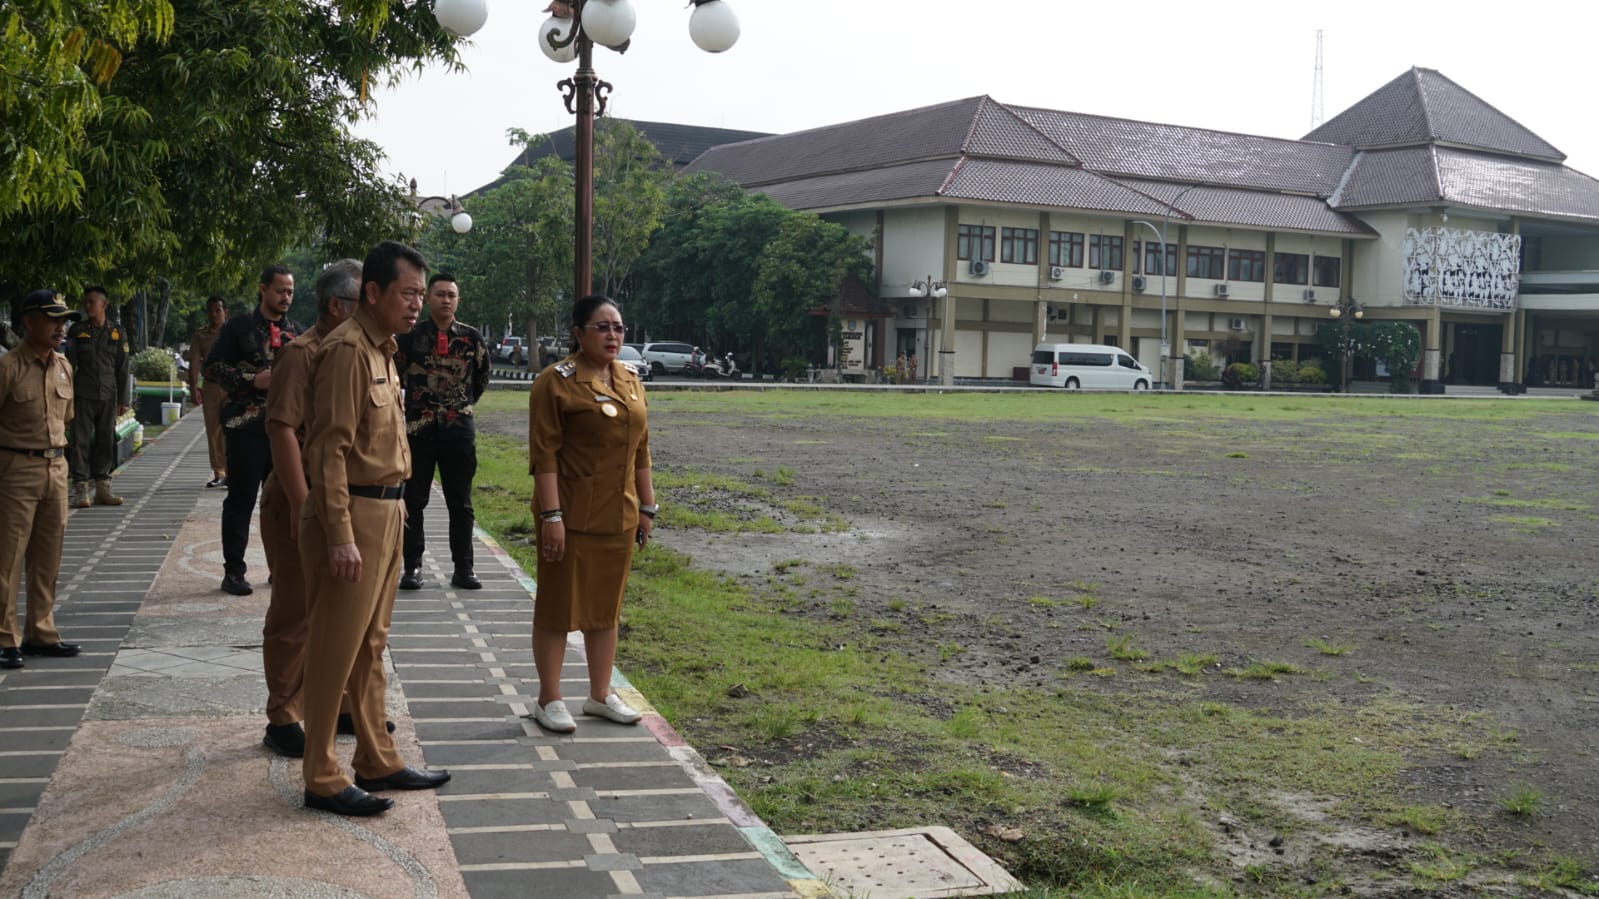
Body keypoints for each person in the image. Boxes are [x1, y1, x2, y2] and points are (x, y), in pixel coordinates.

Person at [299, 241, 449, 817]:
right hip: (352, 514)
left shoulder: (383, 349)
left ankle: (376, 755)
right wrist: (339, 533)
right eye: (408, 293)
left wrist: (401, 503)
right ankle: (320, 772)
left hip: (386, 509)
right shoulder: (346, 351)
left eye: (421, 293)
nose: (417, 304)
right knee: (335, 647)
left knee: (371, 644)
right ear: (373, 292)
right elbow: (329, 449)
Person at [527, 295, 656, 733]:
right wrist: (550, 517)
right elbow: (543, 455)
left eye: (618, 327)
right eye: (602, 327)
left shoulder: (631, 379)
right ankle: (549, 698)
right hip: (569, 514)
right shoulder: (556, 382)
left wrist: (647, 506)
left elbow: (642, 449)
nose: (613, 335)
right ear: (578, 333)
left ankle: (600, 695)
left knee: (606, 608)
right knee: (558, 608)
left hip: (618, 514)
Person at [257, 260, 361, 758]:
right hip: (299, 499)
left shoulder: (362, 350)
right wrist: (304, 511)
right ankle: (282, 714)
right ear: (337, 305)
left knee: (340, 613)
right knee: (295, 612)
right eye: (367, 299)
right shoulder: (302, 355)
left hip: (342, 500)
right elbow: (281, 432)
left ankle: (339, 704)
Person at [0, 290, 86, 669]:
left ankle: (41, 631)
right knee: (8, 558)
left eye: (63, 320)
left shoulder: (65, 366)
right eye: (52, 319)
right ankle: (5, 638)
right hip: (16, 468)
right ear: (28, 322)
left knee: (48, 557)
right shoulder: (8, 368)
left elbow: (65, 419)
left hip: (56, 467)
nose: (60, 327)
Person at [205, 265, 302, 596]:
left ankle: (281, 567)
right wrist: (251, 380)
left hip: (286, 432)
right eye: (280, 290)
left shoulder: (296, 334)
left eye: (290, 291)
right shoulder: (238, 327)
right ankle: (234, 571)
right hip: (245, 427)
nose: (285, 297)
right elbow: (213, 366)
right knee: (241, 500)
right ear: (263, 290)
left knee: (282, 501)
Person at [396, 273, 491, 591]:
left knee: (460, 502)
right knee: (414, 500)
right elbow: (397, 376)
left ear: (458, 300)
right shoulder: (409, 336)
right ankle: (412, 566)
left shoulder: (472, 338)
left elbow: (480, 379)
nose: (446, 300)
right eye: (439, 294)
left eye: (451, 294)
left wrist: (458, 406)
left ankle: (464, 568)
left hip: (458, 433)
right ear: (427, 298)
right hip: (417, 431)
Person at [66, 285, 129, 508]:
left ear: (104, 304)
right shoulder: (77, 330)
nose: (87, 306)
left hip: (107, 395)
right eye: (86, 302)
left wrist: (124, 399)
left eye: (92, 302)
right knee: (80, 442)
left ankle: (103, 488)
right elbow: (68, 365)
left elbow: (123, 367)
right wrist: (67, 396)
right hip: (82, 394)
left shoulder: (117, 332)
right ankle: (81, 489)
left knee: (106, 440)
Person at [189, 296, 230, 488]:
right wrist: (192, 387)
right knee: (213, 430)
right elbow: (195, 362)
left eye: (218, 310)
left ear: (225, 312)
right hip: (211, 386)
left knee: (232, 428)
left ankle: (233, 471)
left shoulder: (233, 332)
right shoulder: (200, 335)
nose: (214, 314)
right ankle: (219, 471)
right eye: (211, 311)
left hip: (232, 386)